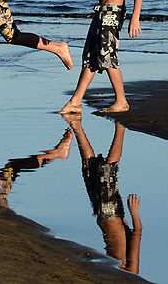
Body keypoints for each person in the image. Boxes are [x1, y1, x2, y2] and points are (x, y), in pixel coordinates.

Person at [63, 113, 142, 274]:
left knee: (89, 171)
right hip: (111, 214)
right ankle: (120, 128)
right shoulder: (131, 274)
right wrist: (134, 213)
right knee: (108, 169)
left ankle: (76, 125)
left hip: (102, 215)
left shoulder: (115, 274)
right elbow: (136, 236)